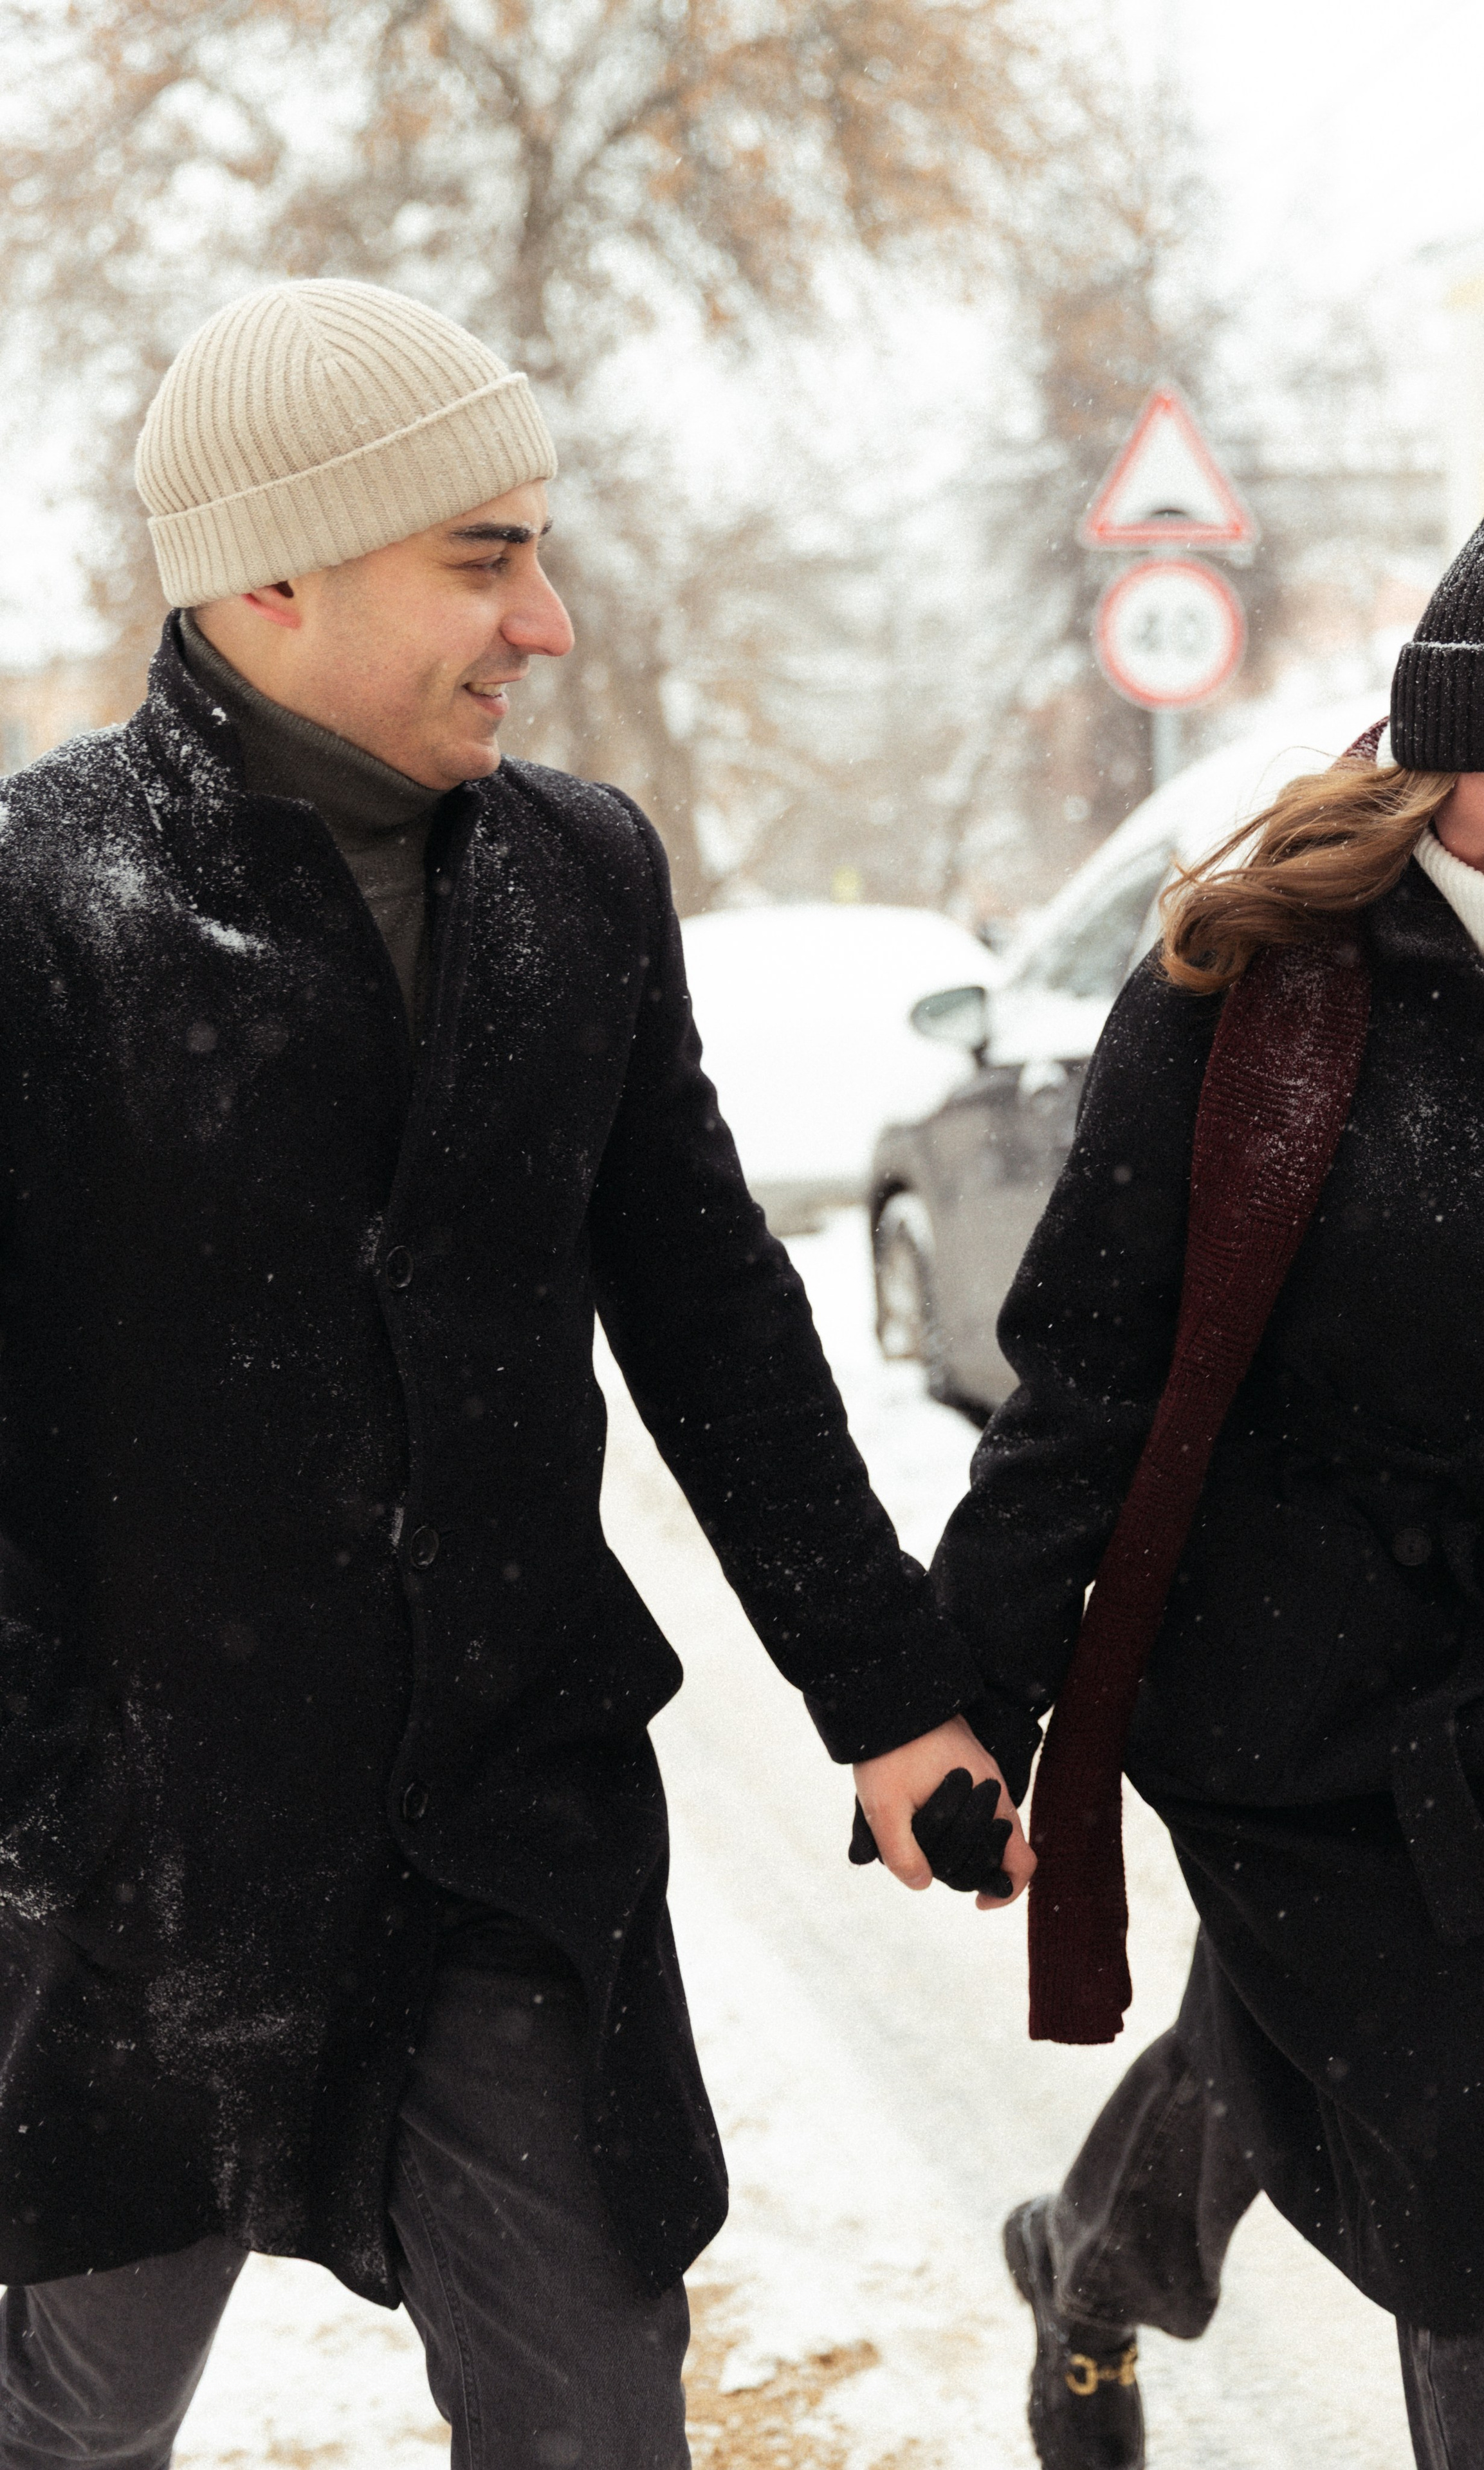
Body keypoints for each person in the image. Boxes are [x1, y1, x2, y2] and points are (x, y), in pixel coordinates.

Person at [0, 278, 1034, 2469]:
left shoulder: (582, 878)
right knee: (69, 2419)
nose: (546, 622)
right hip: (152, 1873)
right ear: (272, 573)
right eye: (485, 558)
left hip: (510, 1833)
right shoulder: (42, 909)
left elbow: (712, 1307)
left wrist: (890, 1691)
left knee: (591, 2419)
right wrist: (47, 1809)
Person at [931, 431, 1484, 2470]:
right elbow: (1085, 1370)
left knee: (1310, 2037)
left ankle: (1083, 2259)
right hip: (1272, 1678)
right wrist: (968, 1690)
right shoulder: (1265, 985)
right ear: (1434, 760)